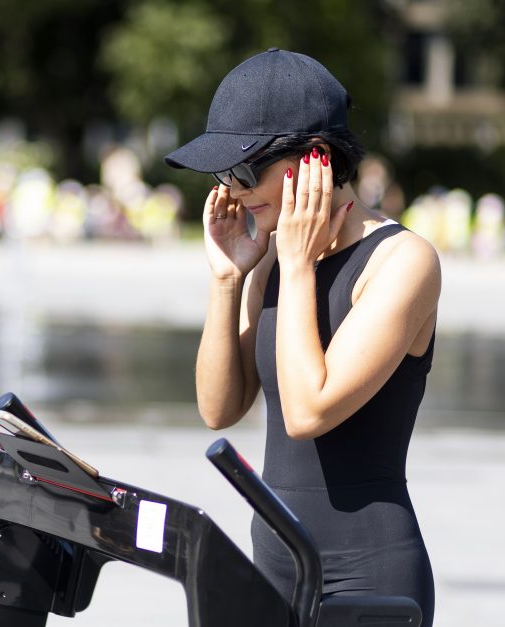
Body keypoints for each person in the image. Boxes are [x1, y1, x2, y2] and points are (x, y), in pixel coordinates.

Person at [165, 48, 439, 626]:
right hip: (272, 565)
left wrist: (297, 267)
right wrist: (227, 278)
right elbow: (219, 409)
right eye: (223, 176)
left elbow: (309, 410)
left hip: (369, 579)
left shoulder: (403, 261)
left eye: (243, 171)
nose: (232, 192)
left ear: (313, 161)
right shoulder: (270, 260)